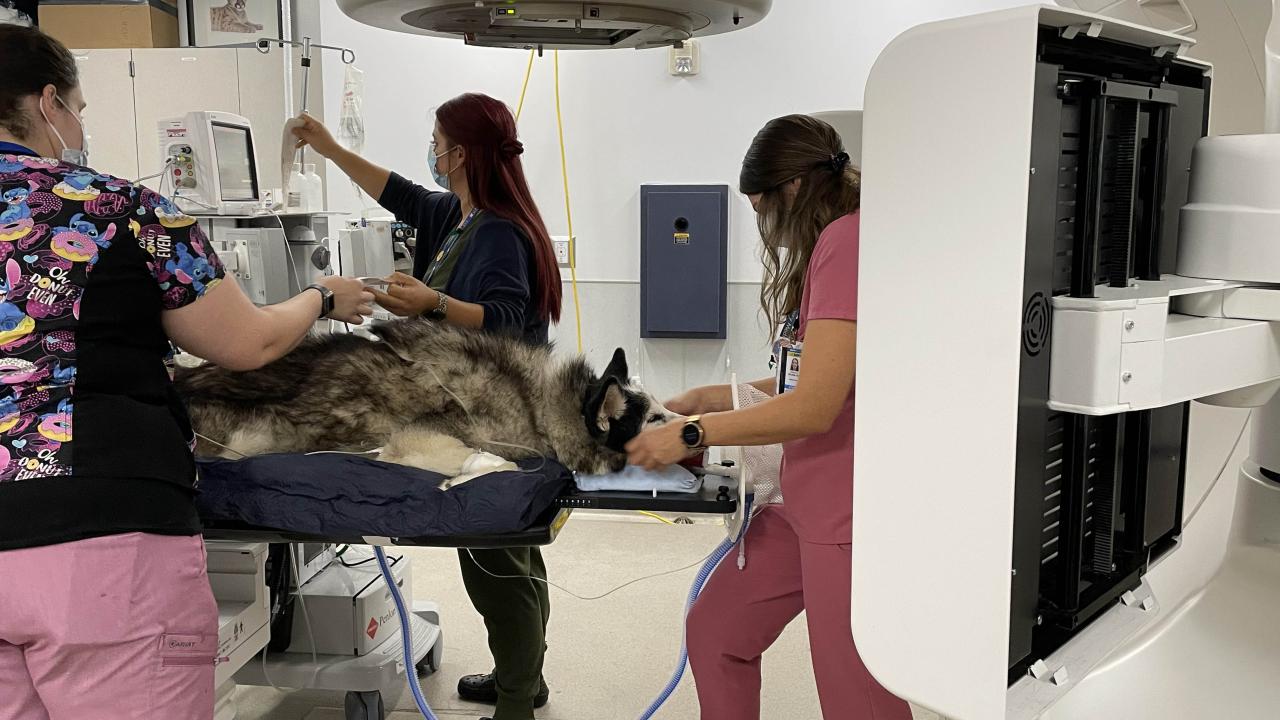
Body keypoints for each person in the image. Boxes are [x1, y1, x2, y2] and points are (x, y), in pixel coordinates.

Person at [0, 24, 373, 720]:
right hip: (96, 535)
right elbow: (247, 345)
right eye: (78, 108)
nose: (78, 125)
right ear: (48, 103)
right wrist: (323, 297)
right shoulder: (120, 208)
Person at [626, 115, 912, 720]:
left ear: (791, 189)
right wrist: (713, 395)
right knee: (718, 632)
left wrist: (693, 434)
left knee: (856, 699)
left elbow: (815, 406)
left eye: (759, 207)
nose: (760, 224)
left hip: (847, 510)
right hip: (802, 499)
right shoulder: (839, 241)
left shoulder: (847, 242)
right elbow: (824, 373)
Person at [293, 93, 562, 720]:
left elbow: (504, 317)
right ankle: (525, 677)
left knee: (496, 564)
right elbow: (403, 195)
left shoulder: (496, 230)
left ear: (460, 153)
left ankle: (518, 702)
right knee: (513, 555)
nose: (432, 152)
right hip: (485, 413)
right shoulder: (459, 217)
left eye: (437, 142)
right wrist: (330, 150)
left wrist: (430, 306)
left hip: (502, 421)